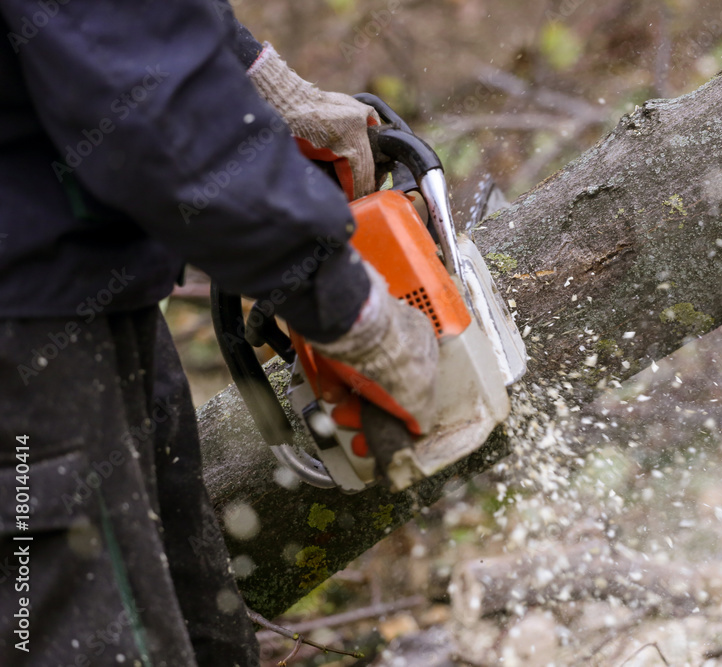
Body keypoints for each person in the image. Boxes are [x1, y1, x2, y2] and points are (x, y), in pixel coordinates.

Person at [0, 0, 436, 664]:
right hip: (25, 323)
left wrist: (255, 73)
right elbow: (143, 98)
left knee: (200, 622)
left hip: (78, 276)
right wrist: (341, 300)